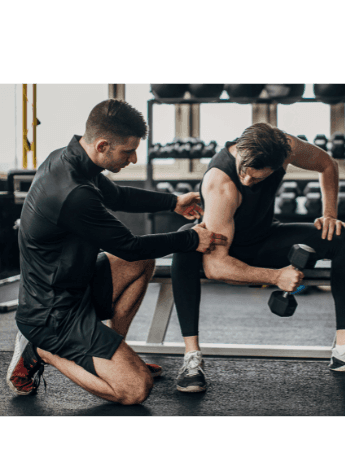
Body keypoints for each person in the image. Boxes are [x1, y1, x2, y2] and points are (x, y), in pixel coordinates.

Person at [6, 99, 227, 405]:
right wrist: (191, 240)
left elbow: (118, 196)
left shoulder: (72, 161)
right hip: (52, 315)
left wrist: (172, 202)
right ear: (102, 145)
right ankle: (41, 350)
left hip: (74, 285)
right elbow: (128, 245)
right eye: (128, 151)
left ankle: (113, 354)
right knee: (136, 389)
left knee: (141, 263)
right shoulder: (73, 194)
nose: (134, 159)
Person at [172, 122, 345, 393]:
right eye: (244, 171)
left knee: (342, 237)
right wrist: (276, 276)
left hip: (266, 236)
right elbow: (217, 267)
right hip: (225, 249)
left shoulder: (287, 147)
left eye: (257, 178)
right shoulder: (221, 184)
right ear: (240, 151)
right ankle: (191, 358)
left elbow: (327, 164)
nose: (246, 181)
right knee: (185, 241)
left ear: (281, 163)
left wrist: (330, 215)